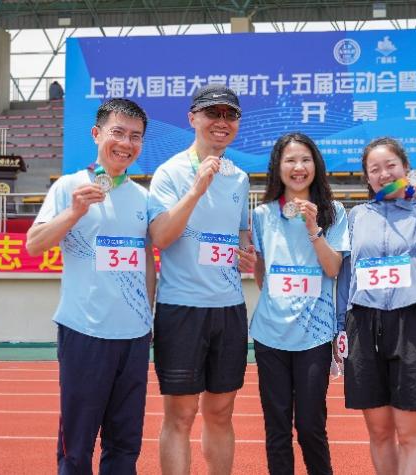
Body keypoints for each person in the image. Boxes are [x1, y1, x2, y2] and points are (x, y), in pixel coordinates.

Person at [25, 98, 155, 474]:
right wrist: (74, 212)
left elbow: (147, 261)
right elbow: (34, 245)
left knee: (125, 444)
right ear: (97, 134)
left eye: (135, 136)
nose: (126, 143)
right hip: (85, 332)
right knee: (77, 445)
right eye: (118, 132)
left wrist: (148, 318)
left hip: (133, 337)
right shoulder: (69, 186)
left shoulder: (144, 199)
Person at [147, 85, 256, 475]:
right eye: (213, 113)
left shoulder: (239, 178)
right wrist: (196, 189)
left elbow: (240, 238)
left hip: (229, 309)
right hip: (182, 309)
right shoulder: (170, 172)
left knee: (221, 411)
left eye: (230, 115)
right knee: (180, 414)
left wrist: (248, 253)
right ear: (192, 118)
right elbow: (161, 237)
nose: (222, 122)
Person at [336, 137, 416, 475]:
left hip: (410, 321)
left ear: (406, 168)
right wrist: (340, 327)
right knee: (380, 432)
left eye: (390, 166)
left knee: (410, 434)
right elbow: (346, 276)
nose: (383, 174)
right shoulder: (356, 216)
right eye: (375, 169)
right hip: (362, 323)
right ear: (367, 177)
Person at [250, 132, 350, 475]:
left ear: (316, 166)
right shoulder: (262, 214)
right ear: (278, 167)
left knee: (310, 427)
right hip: (270, 335)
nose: (298, 167)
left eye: (305, 159)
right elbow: (262, 272)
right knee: (276, 429)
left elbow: (333, 268)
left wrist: (313, 228)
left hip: (314, 336)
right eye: (290, 160)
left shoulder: (333, 211)